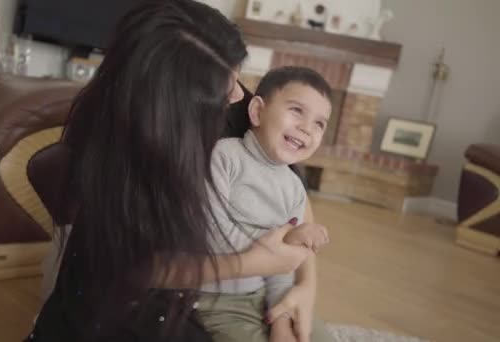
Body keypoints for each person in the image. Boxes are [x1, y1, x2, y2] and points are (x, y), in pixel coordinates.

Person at [28, 1, 331, 341]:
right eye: (225, 86)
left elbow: (289, 195)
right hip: (127, 294)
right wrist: (254, 263)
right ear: (172, 109)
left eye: (237, 76)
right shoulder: (123, 158)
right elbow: (133, 268)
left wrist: (304, 286)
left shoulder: (232, 98)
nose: (238, 95)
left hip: (227, 280)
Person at [197, 66, 333, 342]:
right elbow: (210, 237)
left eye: (320, 123)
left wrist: (280, 316)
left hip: (262, 295)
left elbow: (283, 267)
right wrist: (285, 240)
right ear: (257, 111)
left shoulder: (294, 188)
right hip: (215, 300)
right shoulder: (224, 158)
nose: (307, 128)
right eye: (297, 110)